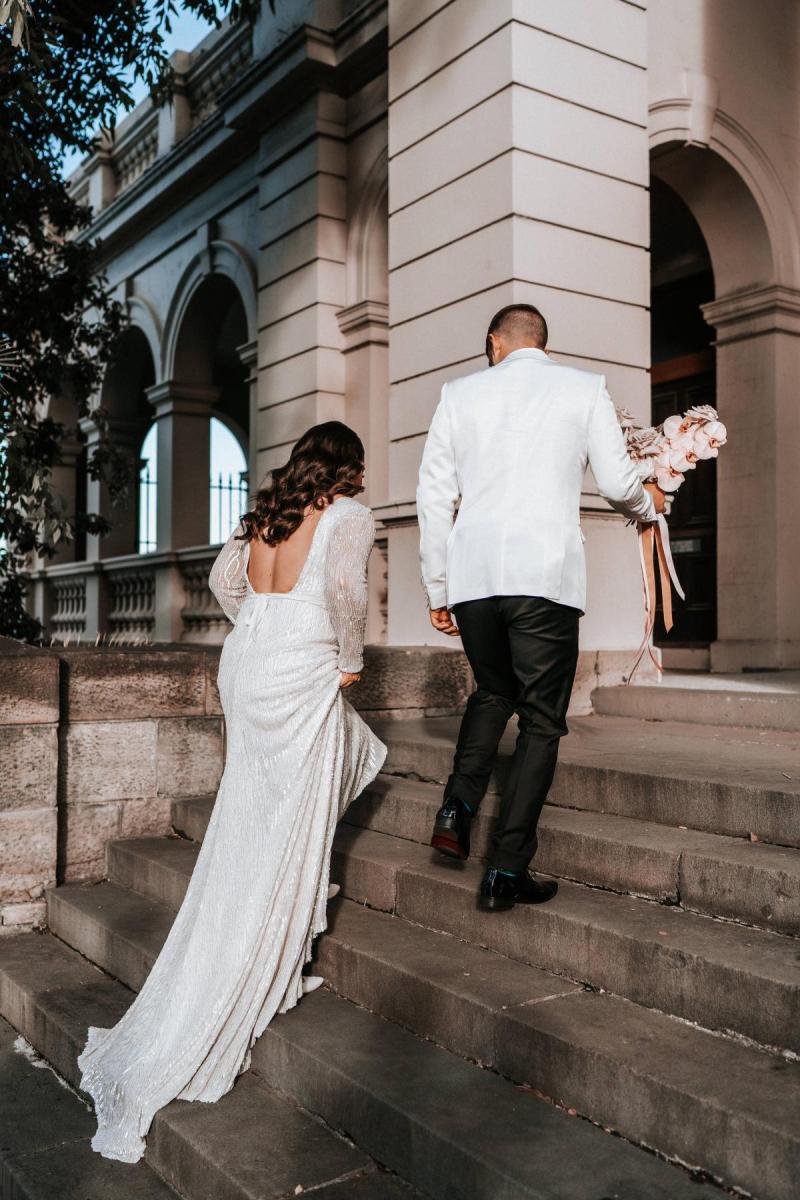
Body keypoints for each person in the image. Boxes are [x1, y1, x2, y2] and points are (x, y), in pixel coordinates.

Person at [78, 421, 386, 1162]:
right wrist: (349, 657)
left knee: (263, 805)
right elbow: (345, 588)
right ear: (349, 468)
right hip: (304, 661)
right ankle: (263, 948)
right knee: (286, 814)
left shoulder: (265, 514)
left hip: (249, 661)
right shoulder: (348, 516)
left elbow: (224, 582)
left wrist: (266, 620)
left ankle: (266, 931)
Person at [416, 304, 663, 913]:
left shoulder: (458, 394)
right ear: (541, 343)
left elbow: (433, 494)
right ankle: (505, 869)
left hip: (475, 578)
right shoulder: (583, 389)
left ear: (495, 341)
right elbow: (614, 480)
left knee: (492, 692)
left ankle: (456, 807)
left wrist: (438, 585)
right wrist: (650, 502)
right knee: (541, 722)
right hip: (543, 578)